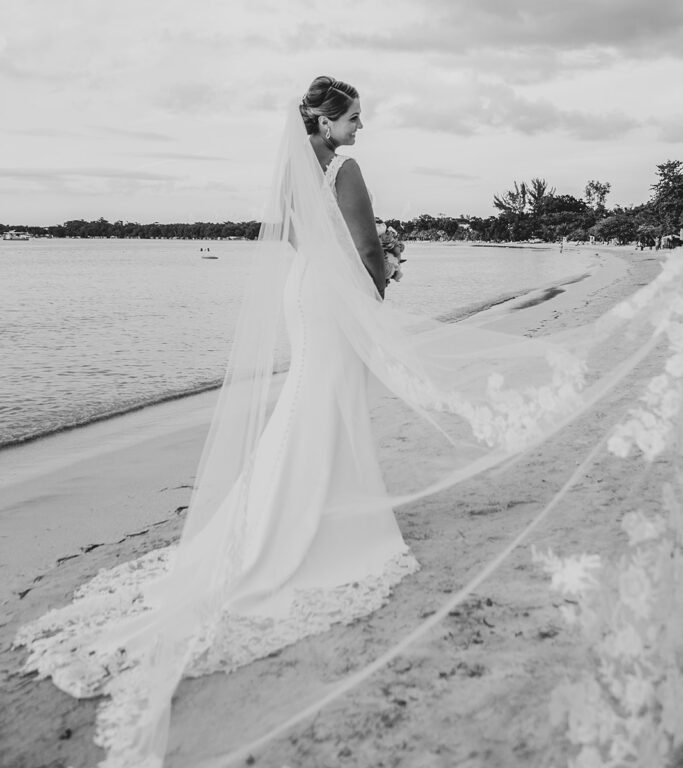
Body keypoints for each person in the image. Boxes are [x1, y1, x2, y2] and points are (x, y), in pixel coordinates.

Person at [15, 77, 681, 768]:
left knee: (311, 399)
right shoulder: (344, 168)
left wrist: (365, 272)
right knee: (326, 400)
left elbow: (310, 245)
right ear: (323, 120)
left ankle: (292, 509)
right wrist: (381, 286)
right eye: (354, 118)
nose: (361, 129)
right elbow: (364, 251)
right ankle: (322, 519)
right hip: (335, 301)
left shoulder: (289, 172)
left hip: (301, 295)